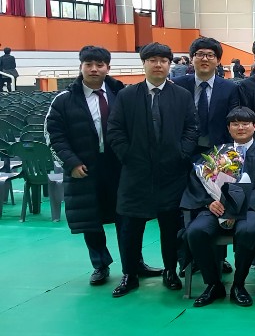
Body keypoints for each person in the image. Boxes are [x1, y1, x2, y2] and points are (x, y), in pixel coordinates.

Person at [45, 46, 161, 286]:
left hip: (120, 167)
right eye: (88, 64)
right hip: (83, 168)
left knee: (129, 218)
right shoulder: (64, 100)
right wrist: (71, 162)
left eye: (99, 65)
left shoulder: (123, 95)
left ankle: (134, 263)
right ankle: (100, 265)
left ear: (108, 67)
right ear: (81, 67)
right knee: (90, 219)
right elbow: (54, 135)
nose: (94, 69)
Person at [105, 42, 198, 298]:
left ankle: (170, 270)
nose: (158, 65)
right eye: (152, 60)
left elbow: (191, 128)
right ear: (144, 63)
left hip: (171, 173)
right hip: (136, 173)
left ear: (169, 65)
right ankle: (130, 273)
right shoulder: (127, 95)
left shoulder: (182, 95)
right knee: (130, 226)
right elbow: (115, 130)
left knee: (170, 227)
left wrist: (181, 153)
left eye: (163, 61)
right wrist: (128, 156)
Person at [181, 107, 255, 308]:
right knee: (196, 231)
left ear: (254, 126)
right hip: (216, 208)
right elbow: (199, 181)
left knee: (248, 230)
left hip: (249, 210)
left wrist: (238, 207)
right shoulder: (217, 153)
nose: (240, 127)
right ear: (228, 128)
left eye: (245, 123)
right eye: (235, 124)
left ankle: (239, 284)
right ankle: (213, 284)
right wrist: (209, 202)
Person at [173, 36, 240, 155]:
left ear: (218, 60)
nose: (205, 59)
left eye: (210, 55)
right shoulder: (177, 85)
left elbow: (233, 120)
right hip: (182, 150)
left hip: (218, 150)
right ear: (191, 58)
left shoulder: (230, 88)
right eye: (200, 54)